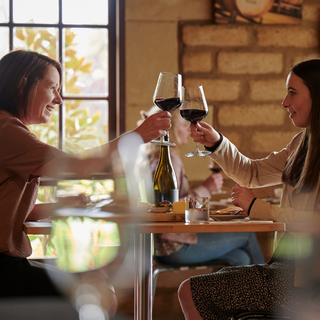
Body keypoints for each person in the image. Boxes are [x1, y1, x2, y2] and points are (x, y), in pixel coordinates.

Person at [0, 50, 171, 302]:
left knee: (92, 288)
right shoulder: (6, 130)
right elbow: (75, 166)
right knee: (93, 294)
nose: (58, 100)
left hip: (8, 265)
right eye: (52, 87)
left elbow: (13, 212)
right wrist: (137, 136)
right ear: (23, 83)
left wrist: (61, 205)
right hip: (4, 269)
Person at [177, 59, 320, 320]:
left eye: (293, 92)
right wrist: (217, 144)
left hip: (308, 284)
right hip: (290, 269)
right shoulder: (303, 142)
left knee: (191, 291)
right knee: (206, 285)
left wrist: (258, 208)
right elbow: (252, 173)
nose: (284, 103)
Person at [139, 106, 265, 266]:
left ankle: (234, 291)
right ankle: (269, 288)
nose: (189, 130)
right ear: (169, 130)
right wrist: (206, 188)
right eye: (184, 126)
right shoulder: (168, 160)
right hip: (173, 245)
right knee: (247, 235)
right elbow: (168, 207)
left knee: (240, 258)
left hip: (158, 246)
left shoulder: (149, 158)